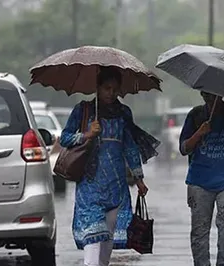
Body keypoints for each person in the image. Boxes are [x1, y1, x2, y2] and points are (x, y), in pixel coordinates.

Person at [60, 66, 159, 266]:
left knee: (107, 242)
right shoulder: (83, 111)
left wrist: (139, 179)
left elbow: (130, 147)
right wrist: (86, 134)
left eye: (115, 89)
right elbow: (64, 138)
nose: (111, 93)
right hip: (89, 187)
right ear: (97, 88)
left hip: (117, 188)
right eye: (107, 88)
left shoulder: (124, 113)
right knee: (93, 240)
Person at [179, 91, 224, 266]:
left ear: (222, 95)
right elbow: (184, 148)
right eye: (208, 96)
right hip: (199, 182)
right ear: (202, 94)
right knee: (199, 232)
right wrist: (199, 133)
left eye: (215, 96)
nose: (211, 100)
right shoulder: (195, 115)